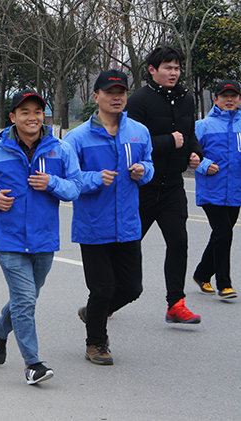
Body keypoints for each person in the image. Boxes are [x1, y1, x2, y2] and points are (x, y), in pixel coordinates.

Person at [0, 89, 81, 385]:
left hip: (45, 239)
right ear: (13, 117)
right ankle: (33, 364)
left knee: (27, 298)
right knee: (24, 300)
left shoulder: (59, 149)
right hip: (9, 239)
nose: (32, 118)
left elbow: (75, 187)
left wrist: (52, 183)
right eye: (25, 112)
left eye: (37, 112)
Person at [64, 69, 155, 365]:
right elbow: (68, 179)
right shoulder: (78, 137)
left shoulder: (138, 132)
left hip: (128, 223)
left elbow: (149, 164)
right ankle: (96, 343)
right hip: (93, 224)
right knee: (101, 288)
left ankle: (92, 315)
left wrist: (144, 171)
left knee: (131, 288)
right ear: (96, 97)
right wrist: (94, 178)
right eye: (110, 92)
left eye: (121, 93)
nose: (116, 97)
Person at [124, 46, 203, 323]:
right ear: (152, 70)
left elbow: (189, 133)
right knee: (130, 246)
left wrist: (195, 153)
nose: (174, 72)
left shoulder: (186, 98)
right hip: (144, 187)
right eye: (168, 67)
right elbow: (131, 144)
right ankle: (107, 300)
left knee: (179, 241)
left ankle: (175, 304)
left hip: (172, 187)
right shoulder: (138, 101)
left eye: (177, 67)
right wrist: (170, 141)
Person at [192, 80, 241, 300]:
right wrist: (203, 165)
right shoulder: (203, 125)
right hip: (212, 191)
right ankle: (225, 284)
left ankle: (202, 274)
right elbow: (190, 154)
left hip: (236, 191)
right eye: (224, 96)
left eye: (234, 96)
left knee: (220, 235)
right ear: (216, 99)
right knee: (224, 233)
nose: (229, 100)